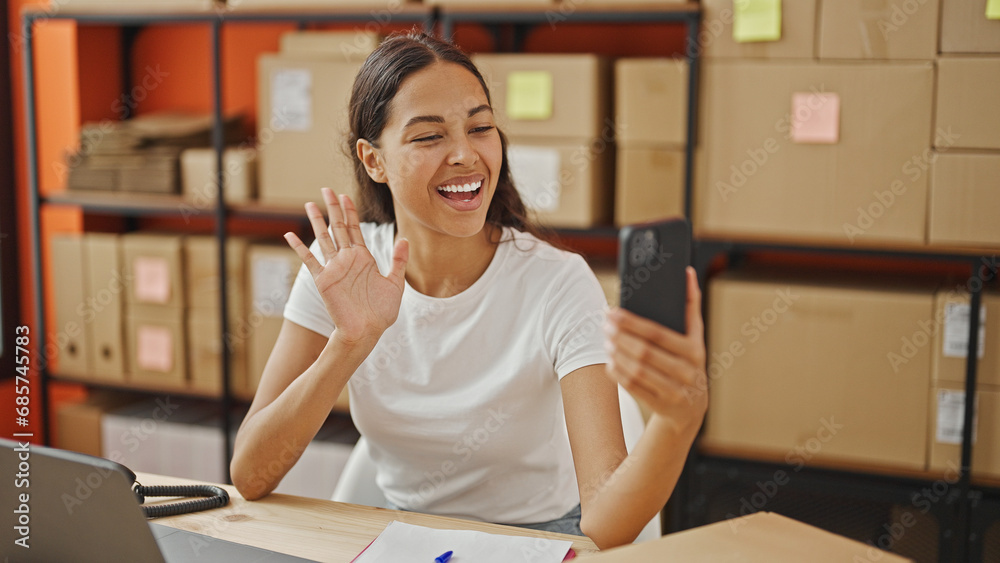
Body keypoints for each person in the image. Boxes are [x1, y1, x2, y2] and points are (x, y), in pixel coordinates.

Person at [230, 31, 707, 550]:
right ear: (374, 161)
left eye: (480, 127)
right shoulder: (342, 268)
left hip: (539, 539)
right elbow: (252, 476)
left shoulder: (558, 283)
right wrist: (349, 344)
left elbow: (608, 525)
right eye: (429, 136)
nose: (465, 154)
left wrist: (678, 421)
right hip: (402, 538)